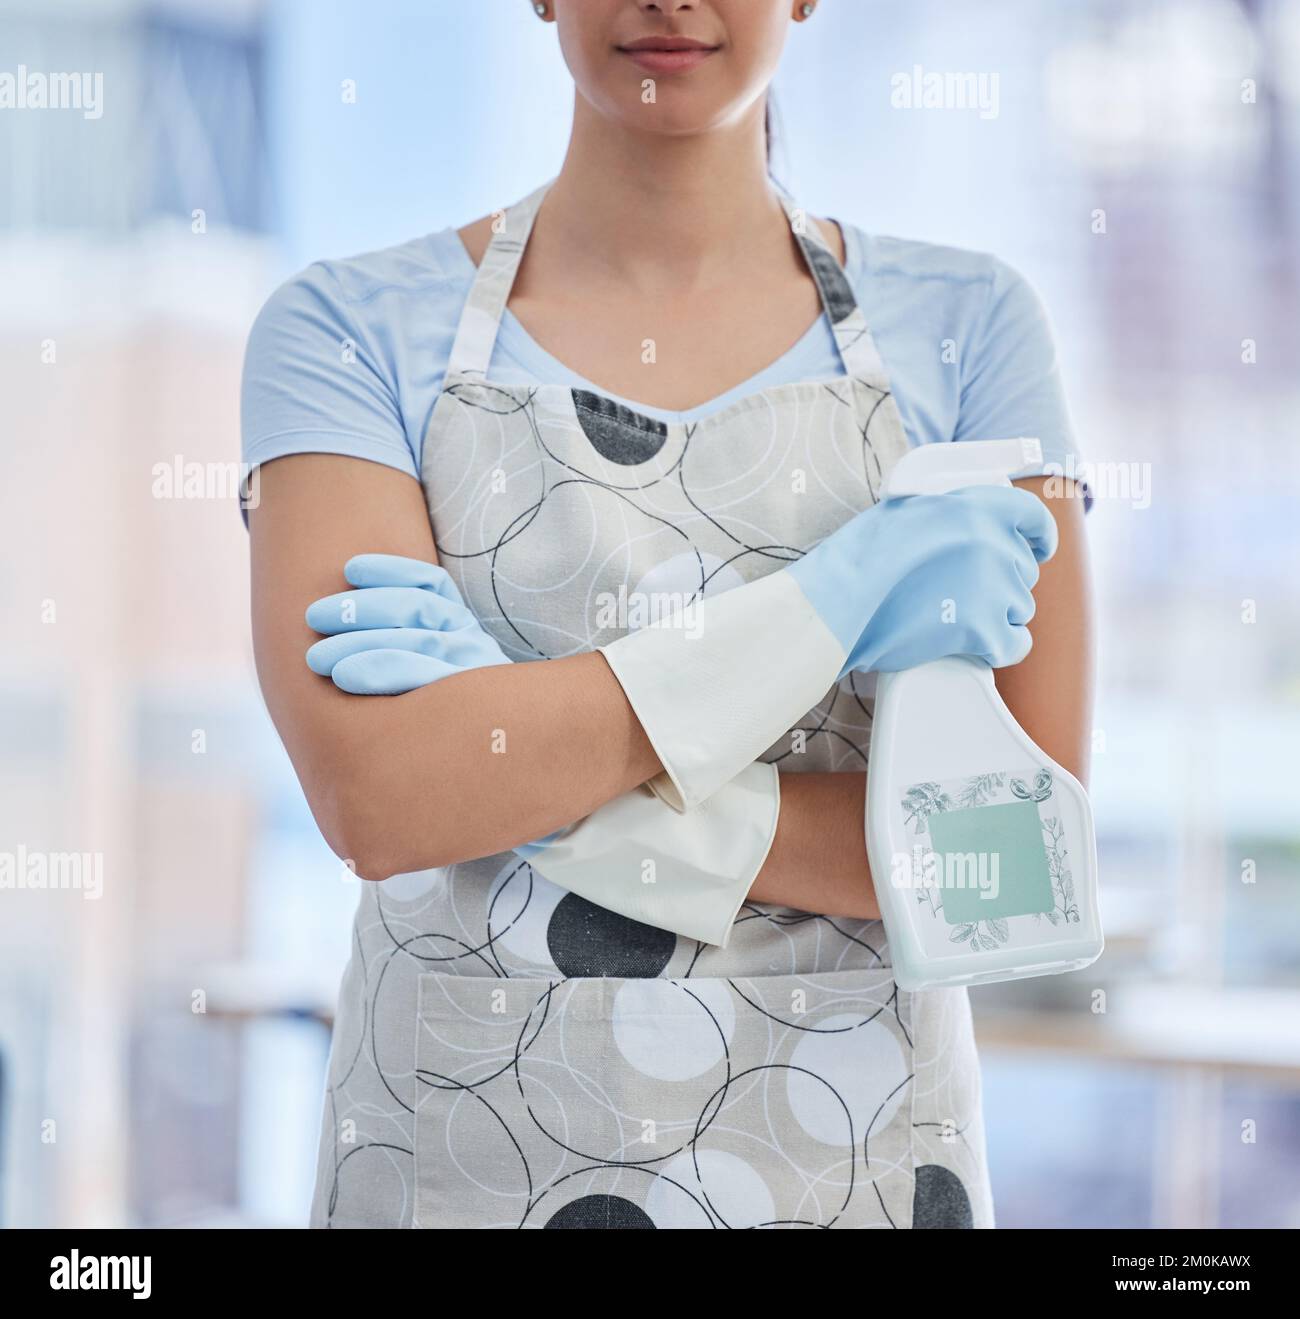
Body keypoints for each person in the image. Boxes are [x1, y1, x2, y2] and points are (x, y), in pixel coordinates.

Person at [242, 0, 1093, 1230]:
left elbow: (1010, 868)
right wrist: (832, 597)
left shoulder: (974, 326)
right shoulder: (342, 329)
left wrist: (518, 768)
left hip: (852, 1162)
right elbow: (381, 800)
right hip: (462, 1160)